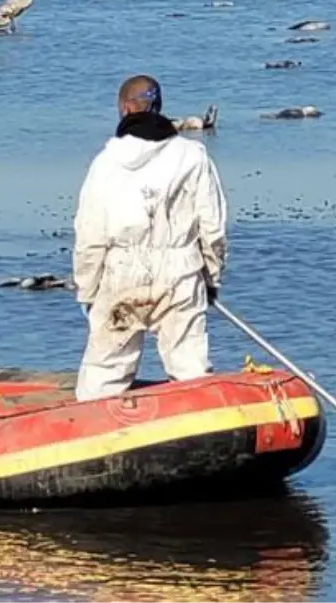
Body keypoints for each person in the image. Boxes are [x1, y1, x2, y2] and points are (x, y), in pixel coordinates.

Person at [71, 75, 228, 402]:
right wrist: (212, 277)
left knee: (104, 373)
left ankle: (95, 432)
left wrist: (87, 288)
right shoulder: (192, 156)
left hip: (121, 273)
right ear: (158, 107)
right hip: (181, 273)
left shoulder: (105, 164)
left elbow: (90, 236)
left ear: (124, 108)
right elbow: (212, 227)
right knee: (190, 368)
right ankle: (201, 428)